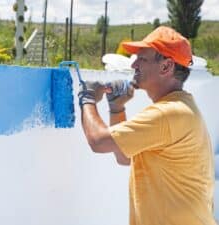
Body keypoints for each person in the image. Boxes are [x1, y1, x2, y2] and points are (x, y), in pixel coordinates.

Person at [78, 26, 216, 225]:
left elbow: (98, 141)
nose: (133, 64)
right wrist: (117, 108)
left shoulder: (168, 113)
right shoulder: (178, 108)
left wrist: (87, 97)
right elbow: (125, 157)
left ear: (166, 67)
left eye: (142, 58)